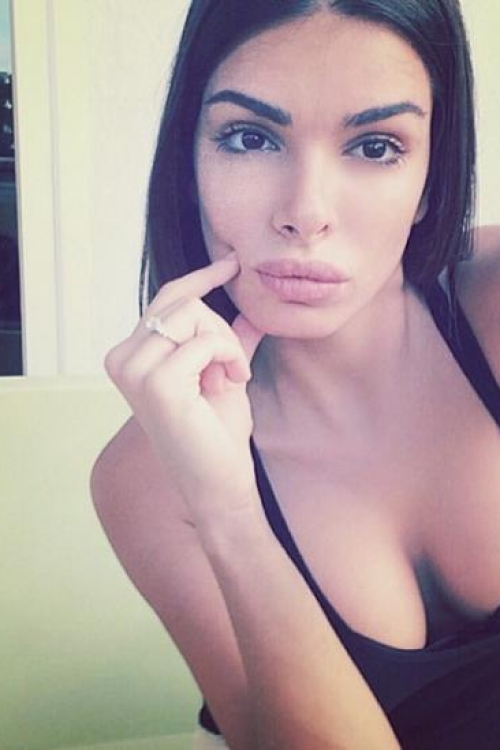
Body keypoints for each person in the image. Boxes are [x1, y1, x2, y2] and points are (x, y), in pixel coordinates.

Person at [91, 1, 500, 748]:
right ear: (188, 164)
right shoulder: (144, 478)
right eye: (250, 137)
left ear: (434, 174)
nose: (305, 213)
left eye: (376, 145)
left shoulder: (494, 299)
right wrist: (230, 515)